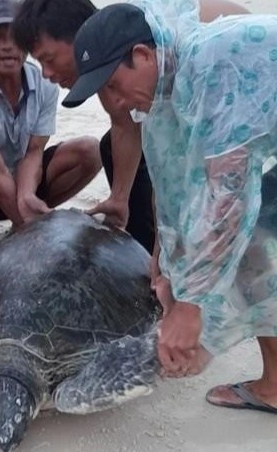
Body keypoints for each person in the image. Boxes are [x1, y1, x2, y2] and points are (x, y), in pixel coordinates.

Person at [63, 0, 277, 413]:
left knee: (251, 239)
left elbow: (226, 203)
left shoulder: (214, 65)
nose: (116, 103)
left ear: (142, 56)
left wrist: (190, 309)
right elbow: (174, 180)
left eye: (111, 85)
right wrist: (165, 259)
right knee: (248, 247)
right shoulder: (162, 84)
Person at [10, 0, 250, 255]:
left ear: (79, 38)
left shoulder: (136, 46)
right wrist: (119, 198)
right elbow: (124, 124)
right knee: (112, 147)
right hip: (201, 96)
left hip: (234, 76)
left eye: (48, 59)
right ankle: (145, 255)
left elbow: (178, 160)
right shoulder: (108, 68)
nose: (46, 73)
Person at [0, 0, 101, 264]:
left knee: (90, 150)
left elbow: (34, 151)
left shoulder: (45, 83)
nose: (7, 46)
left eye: (15, 37)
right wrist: (30, 231)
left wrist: (25, 195)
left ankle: (28, 215)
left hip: (24, 176)